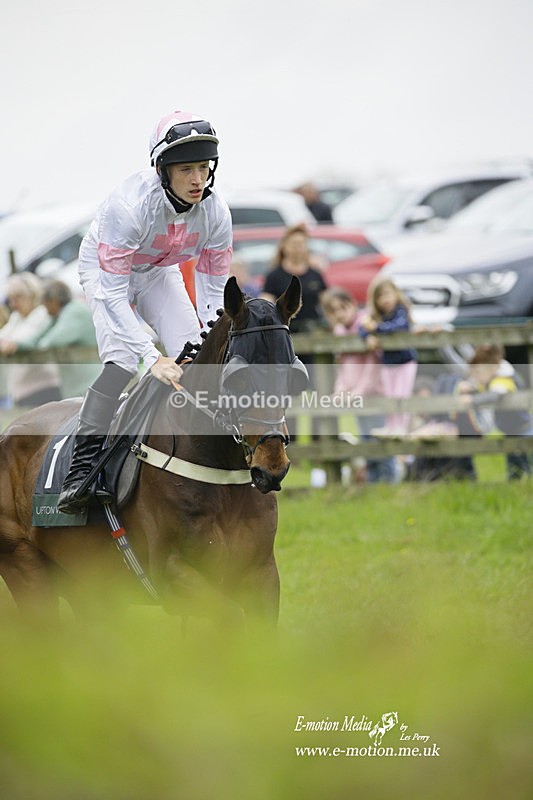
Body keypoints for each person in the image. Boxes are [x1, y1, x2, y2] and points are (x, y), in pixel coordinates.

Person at [57, 110, 232, 514]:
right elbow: (114, 295)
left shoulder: (216, 212)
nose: (197, 180)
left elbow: (214, 292)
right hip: (106, 275)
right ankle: (81, 472)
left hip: (157, 272)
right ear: (162, 170)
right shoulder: (130, 206)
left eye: (204, 168)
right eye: (186, 169)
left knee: (196, 361)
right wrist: (151, 357)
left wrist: (208, 341)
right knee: (122, 361)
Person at [320, 287, 397, 482]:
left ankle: (389, 482)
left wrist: (358, 392)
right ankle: (373, 484)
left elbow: (373, 367)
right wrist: (340, 391)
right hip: (357, 397)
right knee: (366, 441)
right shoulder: (339, 332)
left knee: (381, 442)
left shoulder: (365, 326)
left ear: (353, 304)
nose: (339, 314)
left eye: (342, 308)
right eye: (333, 310)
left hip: (374, 394)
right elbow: (342, 366)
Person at [459, 344, 533, 479]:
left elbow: (493, 395)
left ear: (492, 368)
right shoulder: (495, 376)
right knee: (515, 470)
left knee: (524, 468)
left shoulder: (504, 380)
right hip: (512, 432)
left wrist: (472, 400)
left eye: (478, 373)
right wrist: (472, 388)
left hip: (524, 431)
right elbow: (484, 388)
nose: (476, 378)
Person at [16, 280, 100, 398]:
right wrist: (16, 345)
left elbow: (48, 343)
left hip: (91, 386)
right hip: (80, 389)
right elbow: (35, 339)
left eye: (44, 303)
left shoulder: (74, 312)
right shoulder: (58, 315)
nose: (44, 309)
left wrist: (29, 348)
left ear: (53, 301)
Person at [358, 277, 417, 436]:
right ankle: (391, 427)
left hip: (405, 362)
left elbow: (399, 326)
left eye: (388, 294)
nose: (385, 300)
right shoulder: (376, 316)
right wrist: (368, 336)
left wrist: (376, 328)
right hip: (388, 363)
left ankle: (401, 427)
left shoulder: (400, 311)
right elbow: (362, 328)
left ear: (396, 294)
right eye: (380, 297)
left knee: (401, 395)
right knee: (389, 396)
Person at [0, 273, 62, 407]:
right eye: (11, 299)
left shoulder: (42, 315)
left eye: (18, 297)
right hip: (20, 392)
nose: (14, 304)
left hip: (43, 389)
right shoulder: (16, 318)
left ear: (32, 295)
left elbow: (25, 341)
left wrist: (9, 344)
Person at [261, 224, 327, 333]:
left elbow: (326, 302)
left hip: (313, 331)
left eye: (302, 244)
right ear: (284, 246)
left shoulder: (315, 274)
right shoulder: (274, 276)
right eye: (294, 244)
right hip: (284, 331)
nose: (298, 248)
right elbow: (265, 304)